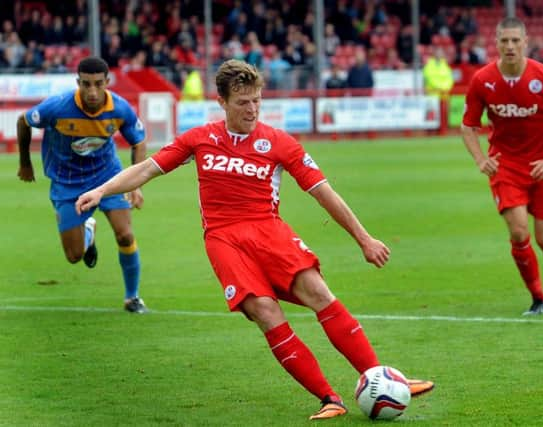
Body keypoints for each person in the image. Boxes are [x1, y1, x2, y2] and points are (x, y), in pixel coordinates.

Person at [75, 59, 434, 419]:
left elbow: (324, 192)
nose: (252, 109)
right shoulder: (200, 138)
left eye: (257, 101)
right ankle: (329, 398)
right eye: (243, 102)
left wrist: (364, 239)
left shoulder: (279, 143)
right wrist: (102, 190)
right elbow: (147, 169)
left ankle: (381, 378)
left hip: (269, 231)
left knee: (319, 292)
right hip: (224, 241)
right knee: (264, 311)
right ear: (223, 102)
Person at [461, 17, 543, 316]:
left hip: (542, 167)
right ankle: (538, 298)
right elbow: (468, 126)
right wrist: (480, 159)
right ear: (496, 43)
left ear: (525, 43)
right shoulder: (482, 80)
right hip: (506, 168)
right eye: (504, 41)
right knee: (518, 231)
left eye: (515, 40)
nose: (510, 46)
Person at [17, 56, 148, 313]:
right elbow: (24, 120)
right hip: (67, 183)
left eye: (98, 84)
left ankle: (132, 297)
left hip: (107, 177)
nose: (92, 91)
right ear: (78, 82)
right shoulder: (58, 107)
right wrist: (25, 163)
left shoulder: (119, 109)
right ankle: (88, 229)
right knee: (74, 256)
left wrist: (134, 185)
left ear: (107, 82)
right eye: (86, 84)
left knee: (126, 234)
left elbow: (139, 142)